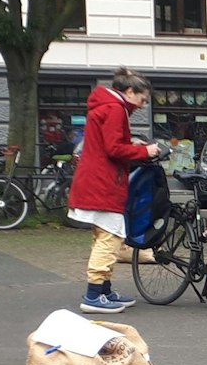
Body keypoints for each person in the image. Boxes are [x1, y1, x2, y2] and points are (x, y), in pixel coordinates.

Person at [67, 68, 160, 314]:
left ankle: (105, 290)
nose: (141, 105)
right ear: (130, 91)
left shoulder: (105, 106)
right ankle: (93, 294)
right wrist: (144, 152)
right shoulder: (115, 109)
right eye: (142, 100)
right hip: (103, 186)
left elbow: (109, 144)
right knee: (110, 240)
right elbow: (114, 148)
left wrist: (132, 144)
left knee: (104, 237)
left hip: (94, 183)